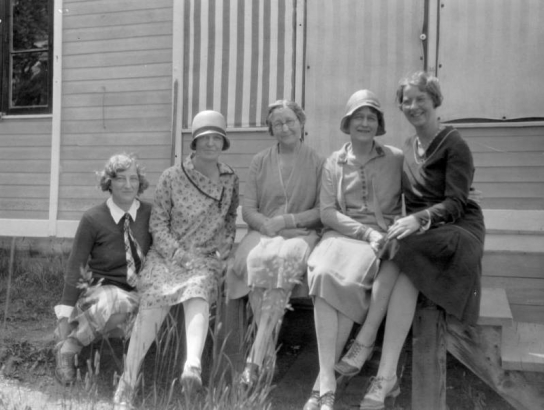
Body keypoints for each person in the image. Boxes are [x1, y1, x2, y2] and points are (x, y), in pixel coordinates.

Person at [344, 72, 485, 410]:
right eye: (407, 100)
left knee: (405, 250)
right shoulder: (407, 147)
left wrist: (418, 219)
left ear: (435, 100)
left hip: (457, 228)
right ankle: (386, 376)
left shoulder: (454, 143)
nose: (413, 105)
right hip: (423, 233)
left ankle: (366, 339)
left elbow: (456, 203)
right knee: (403, 256)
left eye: (421, 98)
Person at [113, 110, 239, 409]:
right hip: (168, 255)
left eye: (217, 138)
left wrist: (224, 248)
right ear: (194, 143)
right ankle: (127, 383)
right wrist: (178, 254)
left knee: (198, 290)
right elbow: (158, 224)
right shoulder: (173, 176)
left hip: (204, 256)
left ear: (223, 142)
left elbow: (231, 217)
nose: (211, 143)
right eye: (204, 138)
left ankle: (191, 368)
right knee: (154, 298)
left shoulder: (230, 178)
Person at [303, 90, 404, 410]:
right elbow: (328, 212)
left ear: (379, 124)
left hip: (377, 240)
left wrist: (386, 232)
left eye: (371, 117)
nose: (364, 123)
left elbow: (417, 193)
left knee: (343, 281)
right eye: (358, 117)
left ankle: (322, 386)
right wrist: (364, 232)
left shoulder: (396, 158)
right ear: (347, 123)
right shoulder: (334, 161)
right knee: (321, 272)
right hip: (341, 235)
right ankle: (328, 377)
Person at [226, 100, 324, 388]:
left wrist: (287, 221)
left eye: (290, 120)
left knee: (283, 262)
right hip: (264, 231)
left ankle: (255, 359)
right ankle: (266, 353)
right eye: (278, 123)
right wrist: (264, 224)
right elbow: (248, 208)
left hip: (300, 232)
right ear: (271, 129)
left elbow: (321, 211)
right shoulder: (260, 161)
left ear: (301, 122)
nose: (285, 127)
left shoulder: (317, 161)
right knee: (255, 261)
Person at [54, 153, 152, 385]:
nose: (128, 185)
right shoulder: (93, 218)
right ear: (109, 182)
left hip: (137, 290)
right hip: (101, 291)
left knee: (143, 307)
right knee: (113, 302)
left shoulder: (150, 214)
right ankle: (68, 348)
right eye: (120, 179)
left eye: (134, 178)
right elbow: (75, 266)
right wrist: (64, 317)